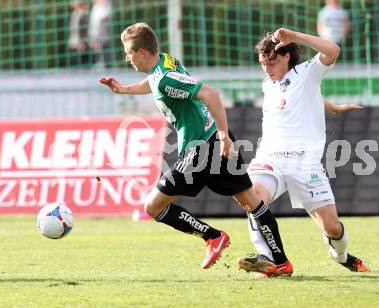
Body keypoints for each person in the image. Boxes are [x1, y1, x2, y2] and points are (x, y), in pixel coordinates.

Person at [99, 22, 292, 275]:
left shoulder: (166, 78)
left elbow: (210, 95)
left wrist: (224, 137)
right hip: (213, 139)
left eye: (129, 53)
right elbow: (153, 82)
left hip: (201, 147)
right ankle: (281, 262)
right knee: (252, 203)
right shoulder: (165, 64)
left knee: (153, 207)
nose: (127, 58)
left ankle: (212, 236)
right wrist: (125, 90)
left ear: (142, 52)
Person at [237, 28, 370, 277]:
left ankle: (339, 254)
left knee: (332, 228)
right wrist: (332, 107)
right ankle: (268, 257)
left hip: (305, 164)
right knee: (252, 198)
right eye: (263, 63)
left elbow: (333, 51)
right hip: (270, 158)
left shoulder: (307, 72)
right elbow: (301, 99)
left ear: (287, 56)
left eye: (272, 62)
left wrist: (295, 36)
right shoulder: (268, 84)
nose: (267, 68)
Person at [89, 0, 112, 68]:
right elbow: (93, 23)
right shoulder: (96, 7)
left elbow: (107, 16)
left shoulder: (107, 6)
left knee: (106, 57)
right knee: (98, 55)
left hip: (104, 36)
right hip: (96, 35)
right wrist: (93, 38)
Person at [68, 0, 91, 67]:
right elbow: (76, 30)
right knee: (82, 65)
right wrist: (80, 43)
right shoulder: (79, 15)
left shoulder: (76, 14)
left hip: (76, 43)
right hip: (79, 44)